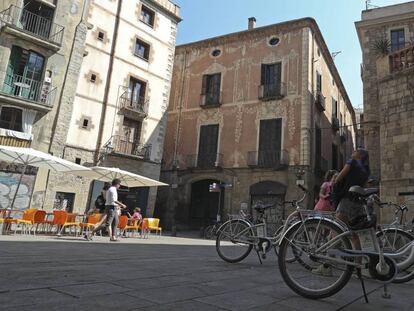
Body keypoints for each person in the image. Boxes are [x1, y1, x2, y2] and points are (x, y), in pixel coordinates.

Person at [313, 149, 371, 277]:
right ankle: (358, 266)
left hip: (346, 201)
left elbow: (338, 179)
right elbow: (364, 187)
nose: (352, 152)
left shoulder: (351, 162)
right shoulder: (366, 170)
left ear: (359, 155)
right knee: (355, 236)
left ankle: (327, 266)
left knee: (335, 233)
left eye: (355, 151)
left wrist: (334, 188)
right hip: (358, 204)